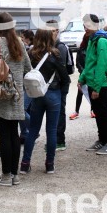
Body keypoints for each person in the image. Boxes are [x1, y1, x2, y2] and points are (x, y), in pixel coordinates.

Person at [0, 12, 32, 186]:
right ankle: (14, 175)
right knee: (14, 134)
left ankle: (5, 176)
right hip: (16, 95)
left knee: (4, 135)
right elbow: (28, 67)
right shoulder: (19, 43)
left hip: (0, 96)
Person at [20, 29, 71, 174]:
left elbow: (25, 73)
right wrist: (62, 91)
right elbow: (65, 77)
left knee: (33, 130)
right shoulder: (54, 54)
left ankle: (25, 164)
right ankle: (49, 164)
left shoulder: (30, 54)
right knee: (52, 131)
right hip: (53, 93)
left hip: (37, 94)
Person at [78, 14, 107, 155]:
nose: (85, 29)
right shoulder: (93, 39)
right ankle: (102, 140)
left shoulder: (101, 40)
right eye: (84, 26)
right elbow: (89, 63)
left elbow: (102, 65)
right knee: (99, 113)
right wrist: (82, 78)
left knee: (104, 113)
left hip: (100, 84)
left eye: (87, 26)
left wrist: (97, 87)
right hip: (93, 82)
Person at [47, 19, 72, 151]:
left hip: (60, 84)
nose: (50, 33)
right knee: (53, 112)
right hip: (52, 85)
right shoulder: (48, 45)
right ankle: (54, 140)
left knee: (60, 112)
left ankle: (60, 140)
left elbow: (61, 69)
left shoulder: (60, 47)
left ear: (57, 31)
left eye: (52, 31)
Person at [69, 28, 94, 120]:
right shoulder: (81, 49)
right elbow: (78, 63)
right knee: (80, 93)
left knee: (91, 92)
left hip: (91, 74)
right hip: (83, 73)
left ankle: (93, 110)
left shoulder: (92, 49)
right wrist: (83, 72)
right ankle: (76, 111)